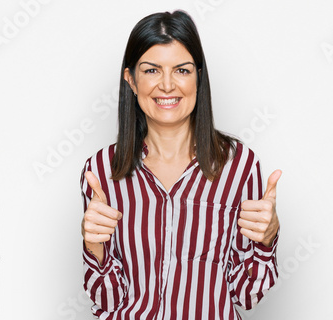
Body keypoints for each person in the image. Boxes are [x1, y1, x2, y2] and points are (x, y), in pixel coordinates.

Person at [79, 10, 281, 319]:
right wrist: (94, 247)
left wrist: (265, 241)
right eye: (151, 70)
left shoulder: (239, 166)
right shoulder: (102, 171)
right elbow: (109, 300)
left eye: (182, 70)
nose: (167, 85)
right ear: (131, 79)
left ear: (199, 77)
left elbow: (246, 294)